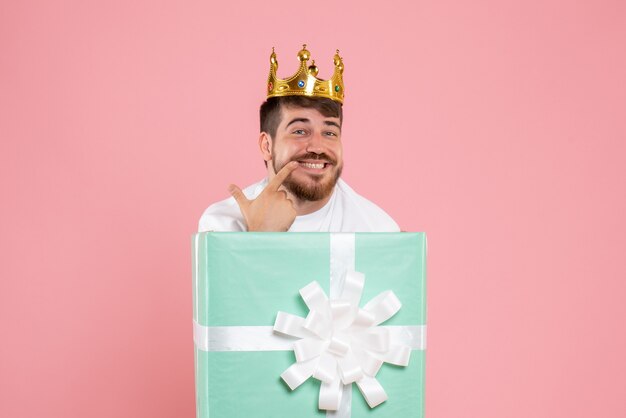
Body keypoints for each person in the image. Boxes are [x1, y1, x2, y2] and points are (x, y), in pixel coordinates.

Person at [198, 45, 399, 233]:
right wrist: (260, 236)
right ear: (266, 145)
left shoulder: (378, 230)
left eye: (330, 133)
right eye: (300, 131)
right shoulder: (222, 226)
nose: (318, 147)